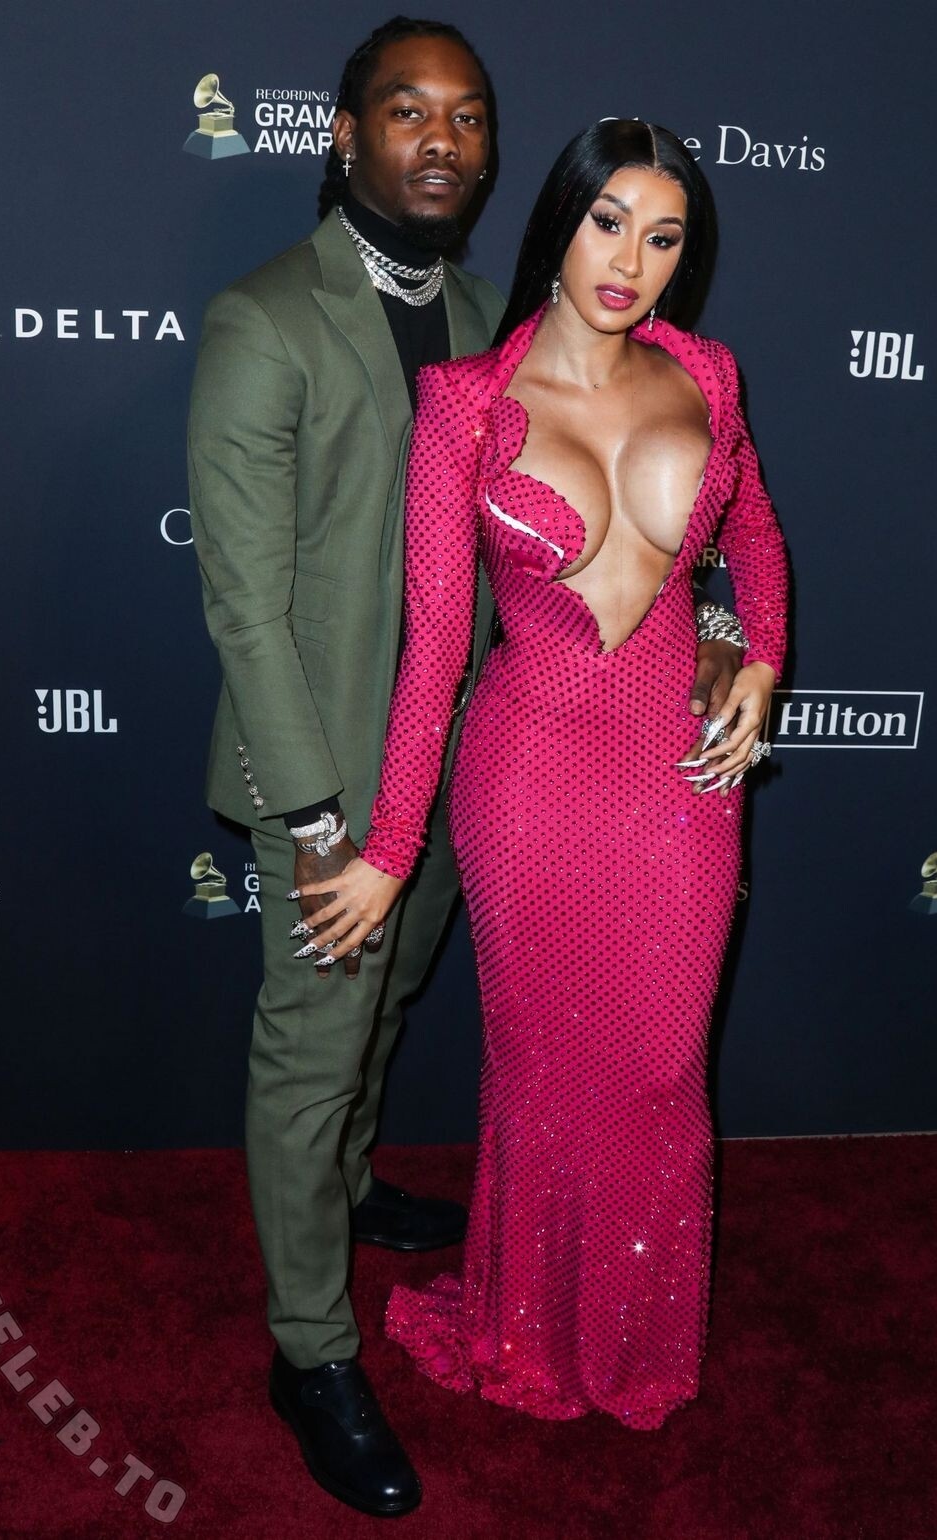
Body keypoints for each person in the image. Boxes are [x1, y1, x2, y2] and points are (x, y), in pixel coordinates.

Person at [191, 19, 745, 1509]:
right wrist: (326, 819)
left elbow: (641, 533)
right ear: (344, 133)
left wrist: (712, 637)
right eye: (407, 110)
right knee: (313, 1050)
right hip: (331, 775)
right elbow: (244, 605)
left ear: (496, 155)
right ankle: (310, 1349)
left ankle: (354, 1187)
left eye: (470, 117)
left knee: (387, 1016)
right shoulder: (262, 320)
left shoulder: (505, 318)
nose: (442, 139)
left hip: (481, 765)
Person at [302, 118, 789, 1432]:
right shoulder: (465, 402)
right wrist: (392, 847)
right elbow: (434, 650)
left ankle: (633, 1339)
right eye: (608, 223)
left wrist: (756, 655)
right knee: (543, 1064)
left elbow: (753, 531)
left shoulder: (710, 374)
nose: (631, 261)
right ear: (560, 223)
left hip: (680, 776)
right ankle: (527, 1329)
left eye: (664, 237)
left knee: (661, 1067)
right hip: (531, 779)